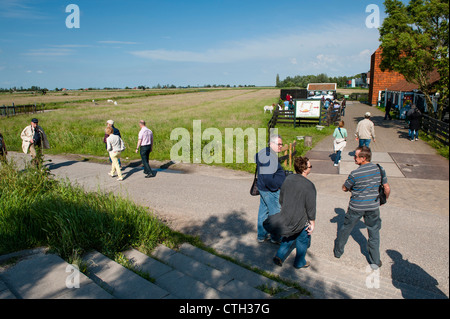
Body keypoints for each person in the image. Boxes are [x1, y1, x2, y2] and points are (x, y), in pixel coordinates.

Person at [333, 146, 391, 268]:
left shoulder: (355, 173)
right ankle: (375, 260)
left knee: (345, 229)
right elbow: (386, 188)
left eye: (356, 156)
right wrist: (383, 200)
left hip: (356, 207)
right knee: (374, 232)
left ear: (363, 158)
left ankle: (338, 252)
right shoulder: (380, 169)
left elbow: (344, 188)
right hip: (373, 207)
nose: (354, 158)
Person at [263, 156, 316, 269]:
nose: (310, 168)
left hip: (287, 215)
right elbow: (311, 207)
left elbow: (281, 199)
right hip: (301, 220)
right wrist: (312, 222)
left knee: (289, 236)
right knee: (302, 240)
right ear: (305, 169)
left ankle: (279, 256)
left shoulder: (288, 179)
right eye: (310, 166)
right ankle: (299, 262)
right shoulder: (309, 185)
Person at [255, 134, 286, 243]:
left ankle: (261, 235)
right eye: (278, 144)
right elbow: (269, 178)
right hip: (269, 190)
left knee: (263, 212)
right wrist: (275, 187)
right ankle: (275, 237)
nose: (280, 146)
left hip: (263, 188)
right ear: (271, 144)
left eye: (281, 144)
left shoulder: (265, 153)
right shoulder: (269, 157)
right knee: (275, 214)